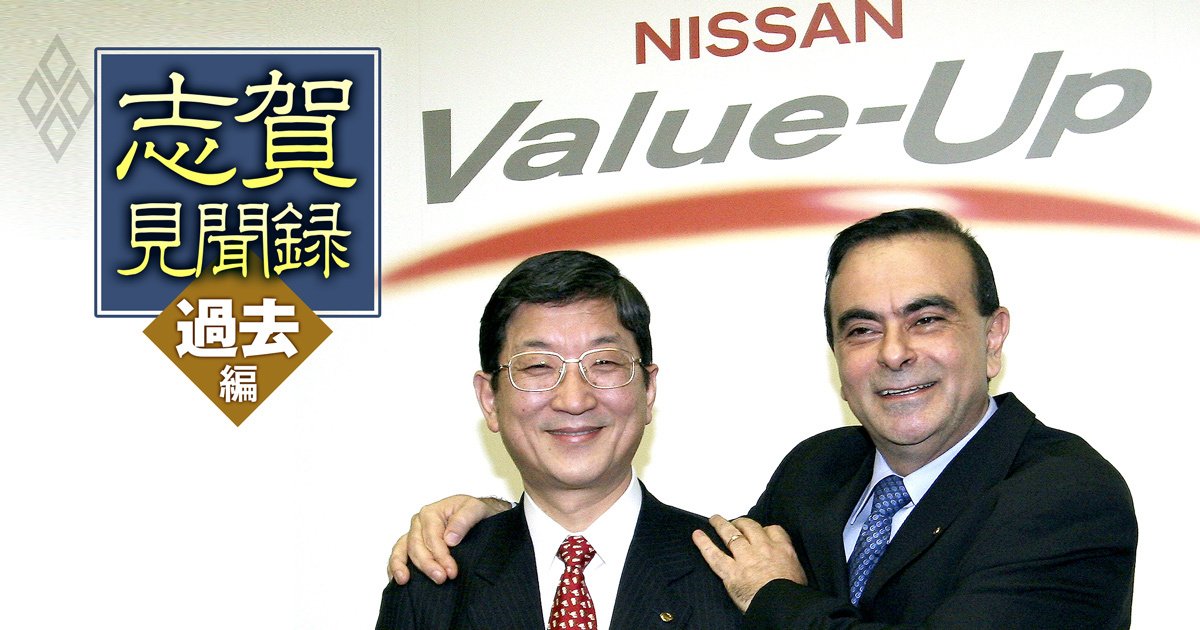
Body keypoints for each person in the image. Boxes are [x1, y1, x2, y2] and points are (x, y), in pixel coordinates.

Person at [389, 210, 1137, 628]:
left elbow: (755, 591)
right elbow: (648, 545)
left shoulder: (1064, 497)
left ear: (993, 335)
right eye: (861, 329)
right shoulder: (818, 474)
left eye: (927, 319)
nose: (895, 353)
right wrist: (507, 521)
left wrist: (777, 599)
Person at [375, 250, 742, 629]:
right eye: (538, 366)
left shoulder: (737, 576)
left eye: (604, 362)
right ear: (490, 400)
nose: (574, 400)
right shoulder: (431, 588)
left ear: (648, 390)